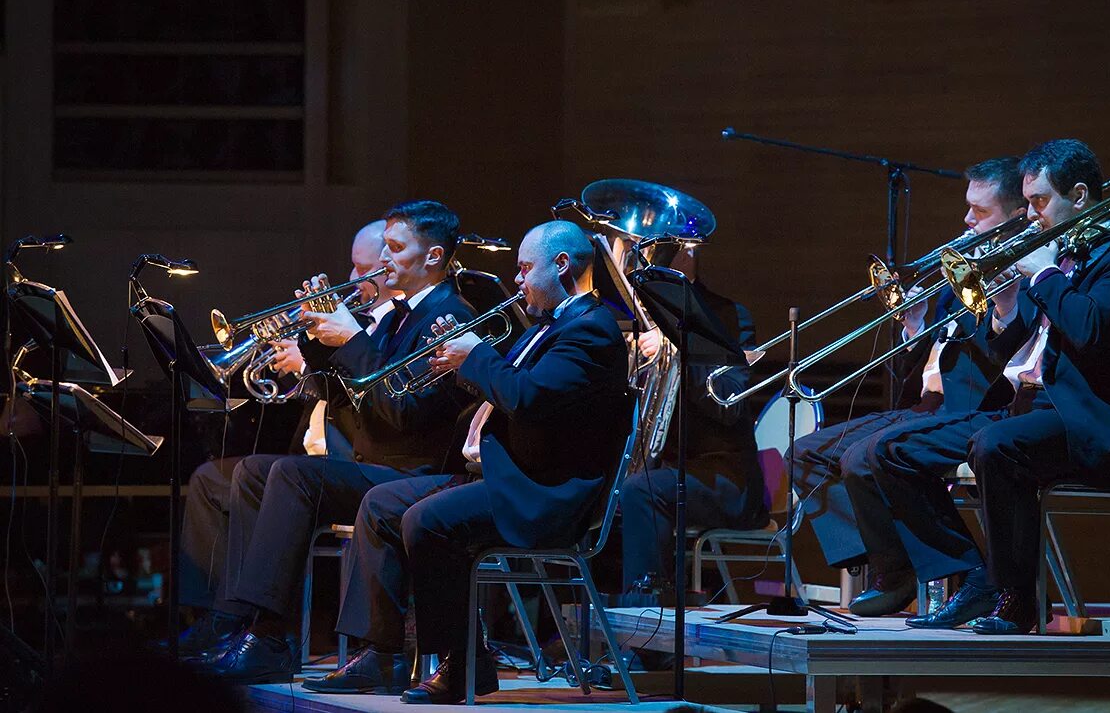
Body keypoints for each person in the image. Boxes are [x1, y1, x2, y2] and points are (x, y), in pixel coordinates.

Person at [863, 139, 1110, 634]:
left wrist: (1045, 273)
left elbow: (1089, 329)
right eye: (1027, 203)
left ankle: (1017, 601)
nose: (1030, 216)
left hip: (1091, 424)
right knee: (890, 450)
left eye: (1040, 202)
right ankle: (974, 578)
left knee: (996, 446)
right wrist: (1006, 303)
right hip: (1029, 411)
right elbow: (1013, 352)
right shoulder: (1062, 260)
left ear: (1080, 195)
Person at [193, 200, 477, 682]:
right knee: (253, 472)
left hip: (413, 473)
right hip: (375, 461)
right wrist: (317, 342)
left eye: (394, 248)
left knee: (291, 474)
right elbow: (347, 397)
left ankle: (269, 637)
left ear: (432, 257)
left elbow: (402, 413)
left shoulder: (448, 316)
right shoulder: (397, 316)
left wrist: (350, 340)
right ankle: (243, 620)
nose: (383, 261)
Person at [378, 220, 631, 704]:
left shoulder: (591, 331)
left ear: (561, 265)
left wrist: (475, 355)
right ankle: (384, 651)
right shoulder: (553, 325)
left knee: (426, 520)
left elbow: (529, 398)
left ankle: (464, 664)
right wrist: (460, 366)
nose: (516, 280)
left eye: (524, 268)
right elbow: (510, 392)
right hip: (512, 473)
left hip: (546, 495)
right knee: (386, 504)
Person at [790, 157, 1029, 616]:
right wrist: (913, 324)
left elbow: (1003, 356)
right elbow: (918, 361)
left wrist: (1002, 305)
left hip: (973, 408)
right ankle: (890, 564)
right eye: (968, 208)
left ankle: (926, 572)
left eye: (979, 212)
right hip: (923, 405)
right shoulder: (955, 269)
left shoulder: (1022, 270)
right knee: (807, 455)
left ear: (1016, 216)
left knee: (863, 456)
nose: (966, 221)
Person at [174, 219, 393, 658]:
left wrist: (309, 366)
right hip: (308, 453)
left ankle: (260, 626)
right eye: (352, 267)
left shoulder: (383, 329)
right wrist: (298, 360)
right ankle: (215, 616)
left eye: (363, 269)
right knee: (209, 479)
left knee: (273, 477)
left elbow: (371, 400)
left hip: (348, 459)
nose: (353, 279)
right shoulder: (349, 322)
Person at [618, 244, 768, 592]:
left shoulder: (728, 315)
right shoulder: (634, 322)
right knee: (602, 490)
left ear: (685, 252)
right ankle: (586, 625)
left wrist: (676, 348)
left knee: (640, 492)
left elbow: (728, 403)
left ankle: (644, 618)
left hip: (724, 476)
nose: (644, 254)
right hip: (667, 468)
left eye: (656, 245)